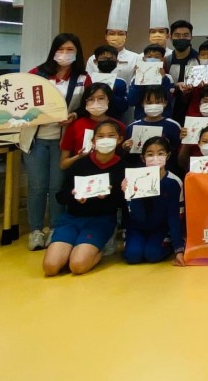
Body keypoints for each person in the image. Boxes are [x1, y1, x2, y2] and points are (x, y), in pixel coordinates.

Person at [21, 32, 90, 251]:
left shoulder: (83, 78)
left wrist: (74, 115)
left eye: (70, 50)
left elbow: (87, 105)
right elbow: (17, 98)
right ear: (53, 51)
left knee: (57, 185)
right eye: (61, 49)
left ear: (77, 53)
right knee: (37, 185)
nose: (65, 54)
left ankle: (55, 228)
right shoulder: (37, 74)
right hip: (36, 138)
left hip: (63, 140)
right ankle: (35, 230)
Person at [42, 119, 126, 276]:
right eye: (100, 136)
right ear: (93, 140)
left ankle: (101, 249)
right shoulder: (80, 164)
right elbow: (60, 196)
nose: (105, 140)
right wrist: (73, 195)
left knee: (77, 266)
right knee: (50, 267)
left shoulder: (124, 167)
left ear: (119, 139)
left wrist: (108, 196)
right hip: (72, 218)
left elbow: (124, 202)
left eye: (111, 136)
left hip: (101, 220)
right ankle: (71, 248)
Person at [121, 137, 185, 266]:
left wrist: (178, 249)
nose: (155, 158)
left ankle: (164, 244)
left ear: (168, 156)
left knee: (152, 254)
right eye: (150, 154)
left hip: (161, 228)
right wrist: (131, 195)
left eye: (160, 153)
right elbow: (136, 216)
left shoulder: (174, 182)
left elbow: (175, 217)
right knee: (133, 256)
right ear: (143, 158)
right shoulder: (132, 180)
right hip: (137, 227)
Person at [58, 83, 122, 171]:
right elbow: (63, 164)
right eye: (91, 99)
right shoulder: (75, 125)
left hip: (112, 173)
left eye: (101, 98)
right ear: (85, 102)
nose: (96, 102)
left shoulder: (119, 126)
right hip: (82, 173)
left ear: (109, 100)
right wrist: (79, 157)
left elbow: (122, 158)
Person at [84, 0, 140, 84]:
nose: (116, 37)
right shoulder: (93, 59)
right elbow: (89, 82)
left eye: (120, 34)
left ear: (126, 36)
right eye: (112, 33)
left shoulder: (136, 58)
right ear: (106, 36)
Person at [123, 86, 182, 158]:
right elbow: (128, 155)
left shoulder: (173, 126)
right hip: (138, 164)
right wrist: (125, 148)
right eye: (149, 103)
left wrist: (167, 146)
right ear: (142, 104)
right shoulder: (132, 127)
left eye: (158, 102)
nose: (153, 105)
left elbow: (177, 152)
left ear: (165, 103)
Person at [126, 44, 174, 120]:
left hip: (163, 118)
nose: (153, 59)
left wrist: (163, 79)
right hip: (141, 118)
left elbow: (169, 99)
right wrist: (139, 79)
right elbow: (132, 101)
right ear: (144, 59)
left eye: (157, 57)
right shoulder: (135, 78)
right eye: (149, 57)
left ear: (162, 59)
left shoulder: (168, 78)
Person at [165, 19, 198, 120]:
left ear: (191, 37)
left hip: (195, 110)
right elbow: (162, 86)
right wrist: (175, 86)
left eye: (185, 35)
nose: (181, 38)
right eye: (177, 35)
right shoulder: (166, 61)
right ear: (170, 37)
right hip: (171, 110)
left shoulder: (199, 59)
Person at [88, 45, 130, 121]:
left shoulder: (120, 82)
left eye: (111, 59)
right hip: (90, 118)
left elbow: (124, 107)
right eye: (103, 59)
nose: (107, 61)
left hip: (113, 119)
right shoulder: (89, 80)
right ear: (95, 61)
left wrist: (112, 95)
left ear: (116, 62)